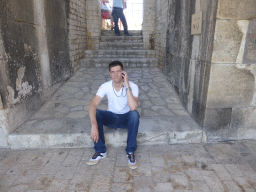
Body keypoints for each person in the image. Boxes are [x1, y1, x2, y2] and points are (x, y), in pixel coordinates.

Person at [87, 60, 140, 169]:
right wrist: (93, 125)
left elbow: (133, 107)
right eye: (113, 72)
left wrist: (127, 85)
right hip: (111, 117)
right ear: (110, 73)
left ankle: (130, 151)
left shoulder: (133, 86)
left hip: (126, 118)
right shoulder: (105, 86)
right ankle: (100, 151)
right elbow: (92, 105)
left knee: (135, 114)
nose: (116, 74)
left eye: (118, 71)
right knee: (96, 113)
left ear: (123, 72)